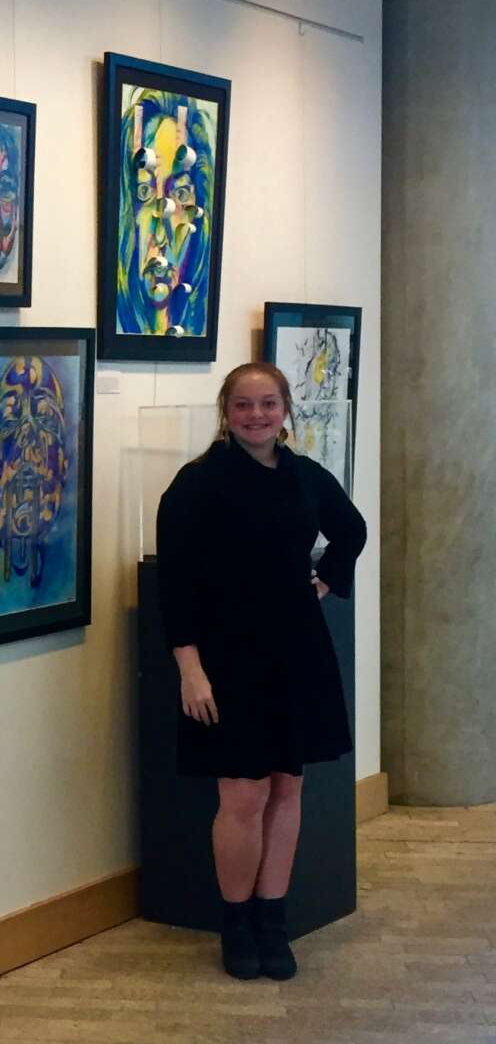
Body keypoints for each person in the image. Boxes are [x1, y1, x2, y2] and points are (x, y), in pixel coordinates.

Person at [156, 361, 367, 981]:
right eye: (244, 405)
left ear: (285, 409)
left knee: (286, 786)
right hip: (226, 656)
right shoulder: (197, 483)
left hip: (296, 648)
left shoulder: (305, 475)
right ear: (226, 412)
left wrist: (324, 582)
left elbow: (351, 530)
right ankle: (237, 922)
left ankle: (273, 918)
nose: (257, 415)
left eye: (268, 404)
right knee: (242, 793)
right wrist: (190, 669)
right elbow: (176, 584)